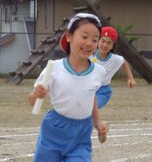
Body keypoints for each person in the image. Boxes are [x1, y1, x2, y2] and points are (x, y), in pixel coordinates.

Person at [28, 13, 108, 162]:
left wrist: (98, 122)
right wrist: (37, 94)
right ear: (69, 36)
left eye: (95, 39)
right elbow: (32, 101)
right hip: (54, 129)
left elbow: (91, 98)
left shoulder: (99, 72)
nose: (89, 43)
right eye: (84, 37)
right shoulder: (53, 69)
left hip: (82, 133)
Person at [90, 26, 136, 110]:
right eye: (102, 41)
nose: (104, 45)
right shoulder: (89, 54)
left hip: (103, 91)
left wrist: (130, 78)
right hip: (88, 88)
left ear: (112, 46)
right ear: (97, 41)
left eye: (109, 43)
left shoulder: (115, 59)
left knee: (92, 107)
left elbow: (124, 63)